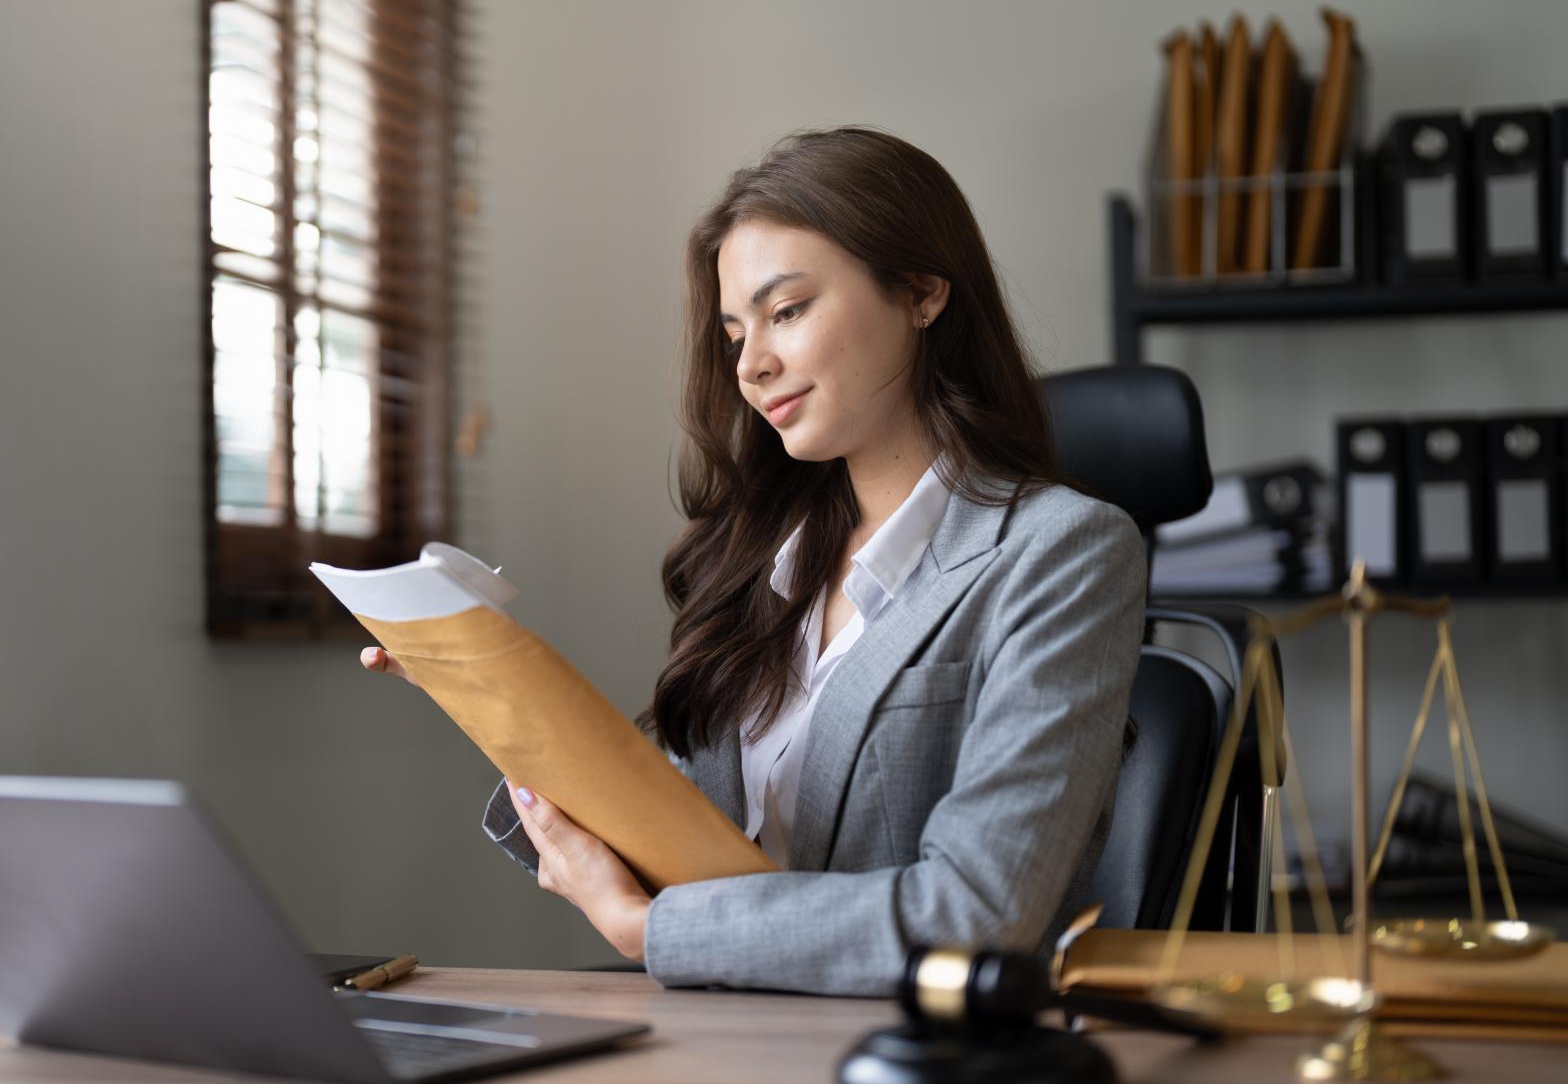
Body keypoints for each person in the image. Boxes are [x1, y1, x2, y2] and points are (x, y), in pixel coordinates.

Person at [362, 126, 1145, 997]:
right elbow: (688, 845)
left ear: (921, 293)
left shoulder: (1062, 550)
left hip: (915, 1060)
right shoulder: (764, 565)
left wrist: (648, 929)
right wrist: (487, 690)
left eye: (788, 311)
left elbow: (979, 909)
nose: (752, 364)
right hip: (728, 1028)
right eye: (736, 331)